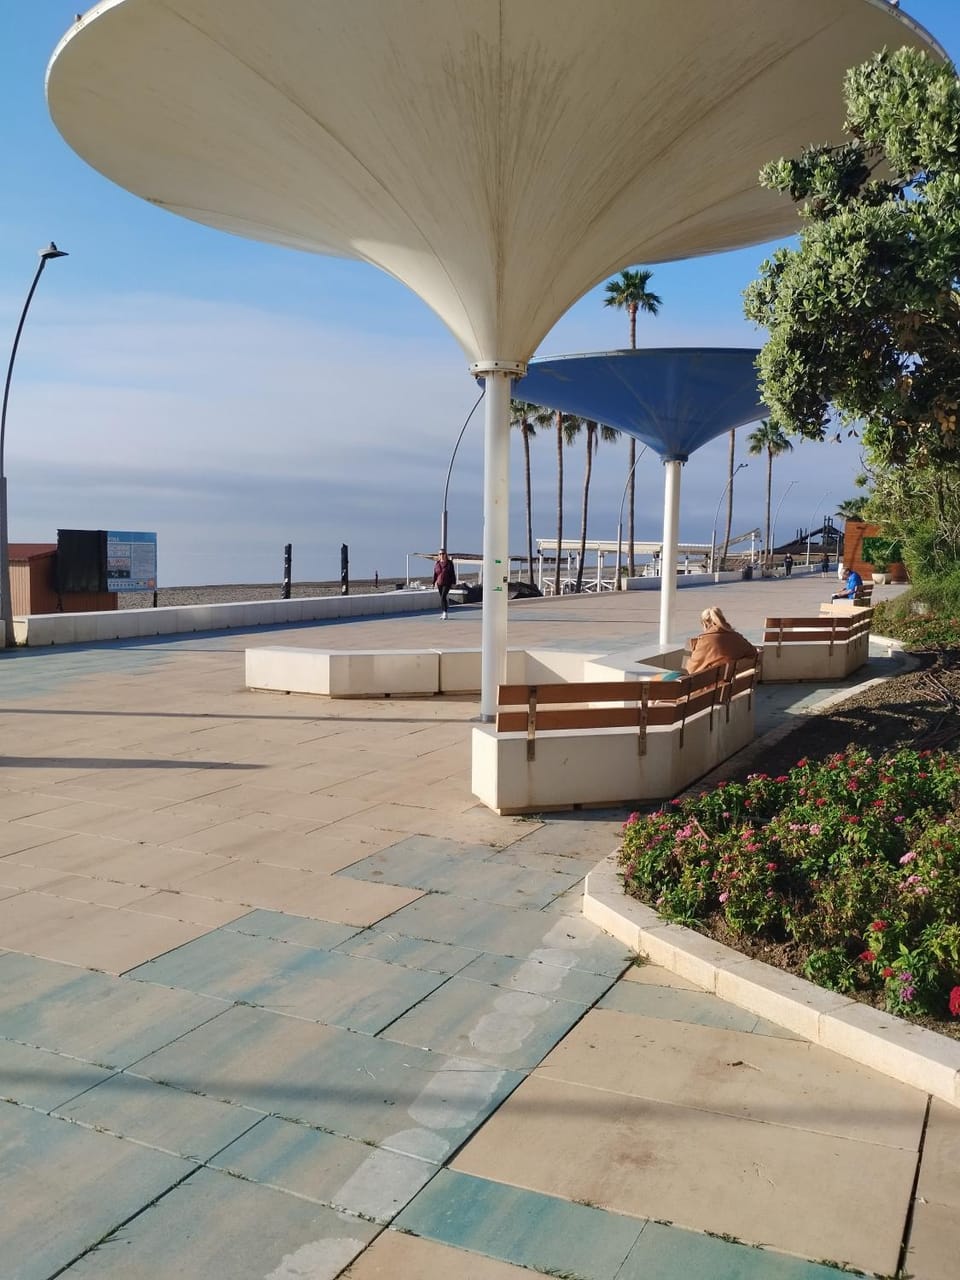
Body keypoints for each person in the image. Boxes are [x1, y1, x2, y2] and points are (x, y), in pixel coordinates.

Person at [684, 606, 757, 675]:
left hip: (707, 686)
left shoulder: (705, 640)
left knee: (674, 676)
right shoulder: (736, 637)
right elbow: (753, 652)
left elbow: (692, 669)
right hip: (730, 684)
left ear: (705, 624)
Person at [433, 549, 456, 619]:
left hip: (447, 582)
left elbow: (452, 573)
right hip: (440, 583)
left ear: (446, 554)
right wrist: (434, 582)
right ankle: (443, 612)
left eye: (443, 554)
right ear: (438, 555)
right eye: (440, 554)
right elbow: (435, 574)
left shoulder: (449, 563)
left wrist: (453, 582)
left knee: (443, 596)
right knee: (442, 598)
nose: (441, 555)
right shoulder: (437, 563)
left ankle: (445, 613)